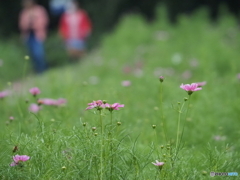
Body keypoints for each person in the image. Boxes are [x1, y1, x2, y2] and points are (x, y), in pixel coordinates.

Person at [19, 0, 49, 73]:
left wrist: (34, 23)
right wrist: (28, 23)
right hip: (28, 36)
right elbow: (21, 25)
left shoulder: (39, 10)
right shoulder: (24, 13)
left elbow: (44, 21)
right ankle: (37, 71)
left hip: (38, 34)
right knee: (32, 55)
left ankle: (43, 70)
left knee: (39, 53)